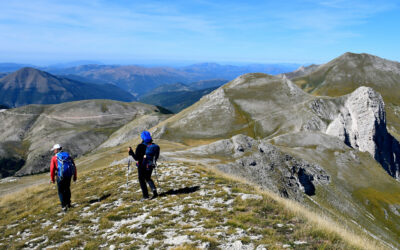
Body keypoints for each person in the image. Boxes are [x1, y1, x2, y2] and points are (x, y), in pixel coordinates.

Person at [129, 131, 160, 200]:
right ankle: (154, 191)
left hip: (142, 165)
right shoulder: (155, 146)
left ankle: (145, 196)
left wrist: (131, 152)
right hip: (150, 165)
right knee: (148, 177)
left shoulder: (140, 146)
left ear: (142, 138)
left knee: (141, 179)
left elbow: (136, 158)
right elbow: (156, 157)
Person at [50, 144, 77, 211]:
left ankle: (63, 206)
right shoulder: (67, 155)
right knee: (67, 189)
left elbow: (52, 169)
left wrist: (52, 179)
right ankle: (68, 204)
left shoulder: (54, 158)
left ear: (56, 150)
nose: (53, 151)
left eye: (54, 149)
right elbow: (73, 165)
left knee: (61, 191)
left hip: (60, 176)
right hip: (69, 175)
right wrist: (75, 176)